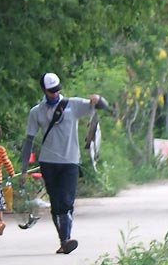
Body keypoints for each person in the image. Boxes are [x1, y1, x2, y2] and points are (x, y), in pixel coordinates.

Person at [21, 72, 109, 254]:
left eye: (56, 90)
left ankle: (66, 239)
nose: (54, 93)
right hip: (48, 162)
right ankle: (64, 240)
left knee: (67, 201)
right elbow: (29, 140)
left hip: (70, 161)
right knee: (56, 203)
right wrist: (23, 169)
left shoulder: (73, 105)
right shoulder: (36, 112)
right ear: (44, 91)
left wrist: (97, 99)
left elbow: (103, 106)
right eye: (51, 91)